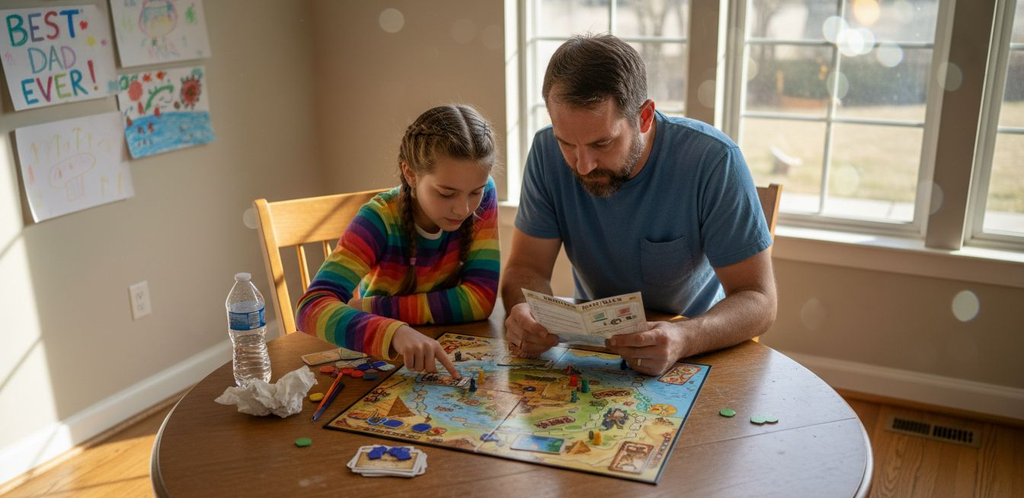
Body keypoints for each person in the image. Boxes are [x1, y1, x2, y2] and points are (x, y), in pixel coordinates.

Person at [501, 34, 777, 376]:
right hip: (593, 354)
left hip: (697, 350)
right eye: (567, 144)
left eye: (602, 142)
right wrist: (525, 312)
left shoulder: (713, 161)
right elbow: (526, 267)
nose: (583, 165)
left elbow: (759, 300)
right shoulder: (544, 151)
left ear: (644, 117)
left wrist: (683, 337)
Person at [297, 104, 499, 377]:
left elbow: (480, 300)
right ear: (410, 174)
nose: (463, 209)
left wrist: (373, 308)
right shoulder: (377, 220)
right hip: (386, 360)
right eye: (446, 193)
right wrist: (395, 332)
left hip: (448, 350)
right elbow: (310, 308)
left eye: (473, 192)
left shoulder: (485, 195)